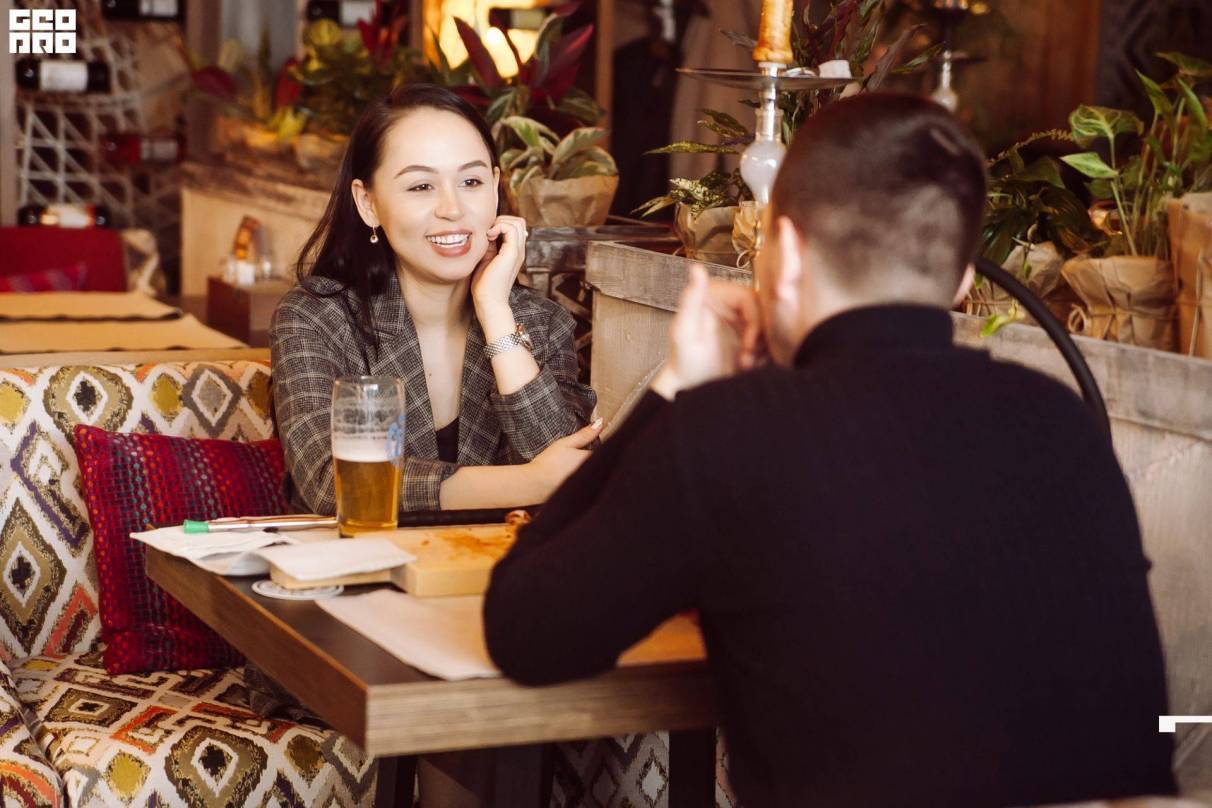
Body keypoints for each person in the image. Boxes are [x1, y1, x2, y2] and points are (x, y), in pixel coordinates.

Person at [483, 93, 1176, 806]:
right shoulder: (1059, 421)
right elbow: (1141, 739)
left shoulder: (731, 431)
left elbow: (525, 631)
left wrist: (676, 389)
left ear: (783, 258)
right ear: (964, 281)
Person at [270, 84, 600, 517]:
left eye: (471, 181)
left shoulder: (542, 322)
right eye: (422, 186)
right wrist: (530, 482)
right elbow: (334, 483)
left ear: (496, 187)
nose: (452, 208)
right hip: (356, 557)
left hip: (498, 559)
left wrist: (495, 312)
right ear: (368, 203)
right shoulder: (316, 318)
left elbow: (569, 476)